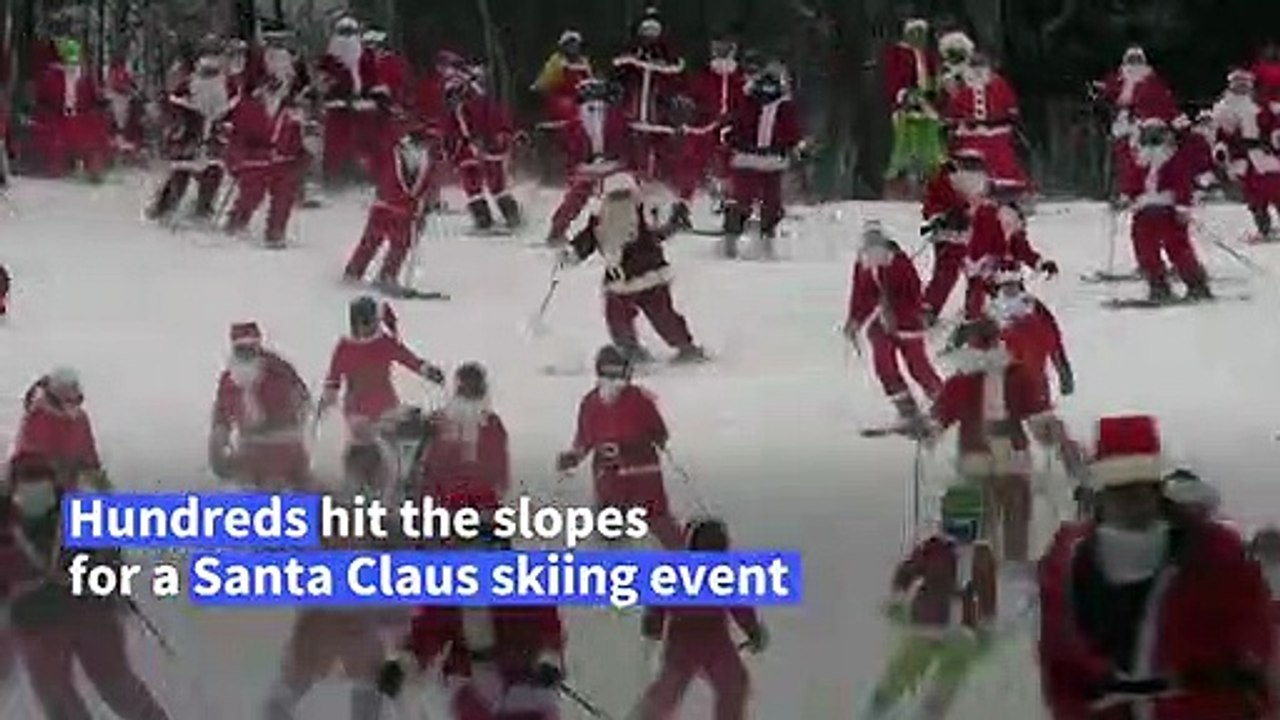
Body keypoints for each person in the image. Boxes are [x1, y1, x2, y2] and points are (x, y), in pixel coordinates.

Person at [1039, 414, 1276, 720]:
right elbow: (1060, 668)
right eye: (1119, 486)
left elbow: (1255, 641)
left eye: (1140, 484)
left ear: (1157, 485)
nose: (1131, 497)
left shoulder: (1215, 551)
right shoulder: (1067, 561)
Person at [4, 454, 172, 720]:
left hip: (88, 612)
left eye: (40, 481)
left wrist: (114, 586)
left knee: (117, 684)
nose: (33, 489)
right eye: (27, 482)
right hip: (35, 621)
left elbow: (110, 557)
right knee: (58, 698)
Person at [376, 489, 567, 720]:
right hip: (470, 678)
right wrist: (402, 666)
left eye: (486, 540)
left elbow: (549, 629)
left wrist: (548, 662)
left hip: (525, 679)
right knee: (473, 706)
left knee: (533, 709)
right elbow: (426, 636)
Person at [911, 317, 1085, 565]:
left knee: (1007, 508)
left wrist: (1051, 431)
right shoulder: (972, 381)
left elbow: (1037, 416)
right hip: (987, 454)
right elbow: (940, 419)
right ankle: (994, 562)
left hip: (998, 454)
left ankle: (1003, 562)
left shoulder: (993, 378)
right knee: (996, 510)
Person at [863, 483, 997, 719]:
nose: (962, 531)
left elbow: (987, 591)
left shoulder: (982, 555)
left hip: (961, 629)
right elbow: (907, 572)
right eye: (956, 524)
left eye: (969, 525)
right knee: (907, 665)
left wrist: (986, 623)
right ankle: (880, 705)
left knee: (952, 671)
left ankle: (932, 711)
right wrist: (899, 598)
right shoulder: (934, 548)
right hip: (927, 623)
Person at [557, 171, 705, 364]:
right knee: (639, 314)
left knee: (654, 314)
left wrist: (575, 252)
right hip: (632, 276)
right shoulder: (606, 216)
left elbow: (590, 239)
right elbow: (588, 240)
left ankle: (678, 346)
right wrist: (573, 253)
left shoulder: (635, 213)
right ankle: (638, 347)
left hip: (640, 275)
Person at [630, 517, 768, 719]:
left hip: (715, 637)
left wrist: (753, 629)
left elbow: (740, 606)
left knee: (734, 682)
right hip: (683, 639)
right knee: (670, 685)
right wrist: (654, 620)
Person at [556, 345, 684, 550]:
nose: (616, 385)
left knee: (656, 519)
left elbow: (659, 433)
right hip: (612, 474)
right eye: (610, 377)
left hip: (639, 472)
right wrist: (573, 457)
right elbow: (584, 439)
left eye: (620, 377)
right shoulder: (592, 403)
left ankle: (683, 559)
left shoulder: (638, 400)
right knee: (614, 525)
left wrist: (641, 444)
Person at [843, 219, 942, 422]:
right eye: (868, 241)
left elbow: (913, 289)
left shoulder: (898, 261)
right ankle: (907, 410)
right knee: (884, 367)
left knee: (918, 367)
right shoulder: (863, 264)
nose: (872, 246)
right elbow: (861, 295)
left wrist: (915, 310)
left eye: (876, 240)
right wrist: (855, 320)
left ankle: (943, 402)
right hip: (882, 324)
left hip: (906, 320)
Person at [318, 295, 445, 439]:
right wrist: (327, 401)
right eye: (363, 323)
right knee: (365, 446)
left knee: (392, 440)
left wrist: (427, 370)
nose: (367, 328)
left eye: (371, 323)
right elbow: (334, 379)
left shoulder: (384, 343)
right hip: (357, 410)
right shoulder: (345, 348)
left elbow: (408, 359)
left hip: (386, 406)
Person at [1116, 118, 1213, 301]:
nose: (1153, 141)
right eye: (1149, 135)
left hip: (1168, 210)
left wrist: (1183, 207)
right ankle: (1157, 285)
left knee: (1178, 249)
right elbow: (1132, 181)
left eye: (1157, 135)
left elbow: (1182, 184)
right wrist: (1126, 196)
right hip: (1144, 211)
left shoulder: (1173, 158)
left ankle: (1196, 284)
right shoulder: (1139, 159)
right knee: (1145, 249)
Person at [208, 322, 313, 491]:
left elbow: (302, 403)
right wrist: (218, 440)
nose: (246, 353)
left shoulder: (280, 372)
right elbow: (221, 415)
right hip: (252, 451)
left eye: (250, 347)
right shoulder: (230, 378)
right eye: (241, 348)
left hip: (282, 448)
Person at [953, 152, 1057, 319]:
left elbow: (1020, 247)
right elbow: (978, 248)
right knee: (980, 310)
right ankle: (974, 330)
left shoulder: (1012, 216)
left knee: (1017, 312)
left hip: (1008, 275)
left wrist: (1039, 263)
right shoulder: (986, 213)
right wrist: (985, 270)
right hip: (986, 275)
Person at [147, 49, 237, 224]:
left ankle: (203, 209)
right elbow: (173, 108)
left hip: (213, 138)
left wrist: (226, 129)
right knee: (181, 173)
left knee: (212, 174)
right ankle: (165, 208)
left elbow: (232, 112)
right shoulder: (186, 86)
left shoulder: (228, 87)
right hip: (188, 136)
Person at [343, 121, 434, 293]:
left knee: (380, 242)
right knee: (394, 243)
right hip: (395, 207)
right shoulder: (398, 153)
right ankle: (380, 275)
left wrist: (424, 205)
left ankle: (359, 272)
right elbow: (418, 184)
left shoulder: (406, 153)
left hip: (393, 205)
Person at [723, 64, 802, 259]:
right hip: (747, 159)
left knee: (770, 202)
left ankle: (767, 238)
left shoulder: (784, 107)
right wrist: (733, 140)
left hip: (771, 160)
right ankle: (732, 238)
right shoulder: (747, 102)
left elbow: (792, 132)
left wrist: (790, 146)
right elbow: (735, 125)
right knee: (741, 200)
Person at [222, 65, 307, 247]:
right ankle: (236, 222)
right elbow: (237, 137)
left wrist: (300, 157)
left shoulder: (290, 110)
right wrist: (235, 161)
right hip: (255, 159)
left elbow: (297, 138)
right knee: (252, 194)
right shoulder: (247, 107)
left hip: (283, 160)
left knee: (284, 195)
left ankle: (276, 231)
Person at [672, 32, 748, 223]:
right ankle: (683, 204)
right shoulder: (705, 77)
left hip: (733, 129)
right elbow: (692, 97)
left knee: (735, 166)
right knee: (692, 160)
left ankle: (735, 208)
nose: (721, 53)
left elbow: (746, 104)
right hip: (706, 126)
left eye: (725, 49)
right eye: (718, 49)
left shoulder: (740, 79)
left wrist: (737, 119)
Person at [546, 78, 630, 245]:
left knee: (621, 196)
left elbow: (622, 138)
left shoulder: (614, 115)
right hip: (588, 166)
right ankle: (557, 230)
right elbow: (570, 145)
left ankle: (623, 229)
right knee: (576, 198)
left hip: (610, 165)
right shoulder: (574, 119)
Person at [612, 8, 685, 182]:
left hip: (658, 115)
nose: (649, 38)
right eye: (646, 33)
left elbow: (677, 76)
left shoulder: (667, 55)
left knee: (660, 153)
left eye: (653, 33)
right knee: (631, 150)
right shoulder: (632, 52)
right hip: (633, 114)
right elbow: (619, 72)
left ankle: (660, 180)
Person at [419, 362, 510, 501]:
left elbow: (498, 462)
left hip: (470, 493)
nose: (468, 388)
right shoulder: (439, 419)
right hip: (447, 493)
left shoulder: (491, 423)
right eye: (466, 384)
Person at [443, 70, 521, 231]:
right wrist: (450, 150)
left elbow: (497, 120)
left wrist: (502, 135)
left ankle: (511, 214)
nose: (454, 98)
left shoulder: (480, 104)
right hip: (466, 153)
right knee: (472, 184)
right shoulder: (454, 112)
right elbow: (448, 133)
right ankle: (483, 217)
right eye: (450, 95)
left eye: (456, 93)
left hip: (489, 149)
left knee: (496, 184)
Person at [944, 53, 1029, 200]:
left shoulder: (999, 84)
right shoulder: (962, 86)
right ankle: (971, 188)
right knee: (968, 154)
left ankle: (1008, 188)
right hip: (969, 133)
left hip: (997, 131)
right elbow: (953, 110)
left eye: (981, 66)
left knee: (1002, 154)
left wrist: (1010, 118)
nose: (978, 70)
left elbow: (1010, 105)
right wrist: (956, 123)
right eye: (974, 66)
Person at [987, 261, 1073, 402]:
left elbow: (1052, 336)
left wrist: (1062, 369)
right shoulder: (993, 310)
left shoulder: (1033, 306)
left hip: (1033, 369)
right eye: (1006, 285)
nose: (1010, 289)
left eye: (1013, 284)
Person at [1213, 69, 1280, 243]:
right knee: (1255, 199)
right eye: (1237, 84)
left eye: (1244, 84)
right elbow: (1223, 135)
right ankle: (1264, 229)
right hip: (1243, 158)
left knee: (1276, 191)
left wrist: (1275, 139)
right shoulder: (1224, 109)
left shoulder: (1263, 105)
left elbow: (1274, 126)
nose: (1241, 87)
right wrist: (1221, 150)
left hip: (1267, 155)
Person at [29, 37, 111, 180]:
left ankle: (92, 169)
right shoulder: (53, 76)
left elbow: (93, 97)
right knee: (60, 143)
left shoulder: (81, 77)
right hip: (61, 118)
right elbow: (43, 98)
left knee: (92, 139)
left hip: (76, 118)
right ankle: (59, 170)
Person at [1093, 46, 1180, 179]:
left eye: (1137, 60)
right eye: (1131, 60)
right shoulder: (1117, 79)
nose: (1134, 64)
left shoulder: (1153, 80)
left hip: (1150, 122)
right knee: (1128, 142)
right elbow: (1106, 95)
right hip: (1123, 120)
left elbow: (1165, 101)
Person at [883, 18, 944, 198]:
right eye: (915, 33)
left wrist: (934, 92)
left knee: (930, 142)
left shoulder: (928, 55)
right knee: (905, 142)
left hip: (926, 103)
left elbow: (933, 76)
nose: (919, 37)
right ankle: (900, 183)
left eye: (921, 33)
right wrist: (902, 94)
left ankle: (928, 183)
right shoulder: (897, 53)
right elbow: (892, 77)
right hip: (906, 103)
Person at [318, 15, 384, 184]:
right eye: (343, 34)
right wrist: (331, 95)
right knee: (335, 146)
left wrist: (373, 96)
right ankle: (333, 180)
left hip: (363, 109)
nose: (346, 39)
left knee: (367, 144)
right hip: (337, 111)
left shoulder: (366, 56)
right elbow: (323, 83)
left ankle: (370, 177)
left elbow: (374, 79)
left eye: (350, 34)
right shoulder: (329, 60)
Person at [12, 367, 102, 484]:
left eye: (74, 388)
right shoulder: (39, 415)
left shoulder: (81, 418)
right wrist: (59, 468)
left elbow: (89, 453)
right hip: (36, 483)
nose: (72, 392)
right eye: (66, 389)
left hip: (70, 483)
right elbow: (28, 457)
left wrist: (96, 475)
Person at [531, 29, 594, 123]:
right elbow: (545, 83)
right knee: (567, 106)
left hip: (581, 99)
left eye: (575, 44)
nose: (573, 46)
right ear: (563, 46)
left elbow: (590, 81)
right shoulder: (556, 60)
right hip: (560, 98)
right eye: (570, 44)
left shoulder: (584, 62)